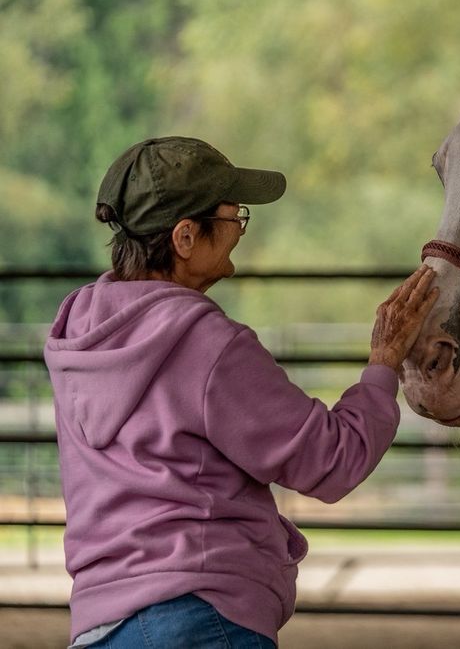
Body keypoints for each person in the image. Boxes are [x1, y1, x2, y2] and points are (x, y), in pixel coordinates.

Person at [43, 136, 438, 648]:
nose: (239, 230)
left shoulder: (78, 334)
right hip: (201, 615)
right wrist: (384, 362)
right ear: (185, 237)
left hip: (99, 626)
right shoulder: (205, 343)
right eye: (234, 217)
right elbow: (332, 458)